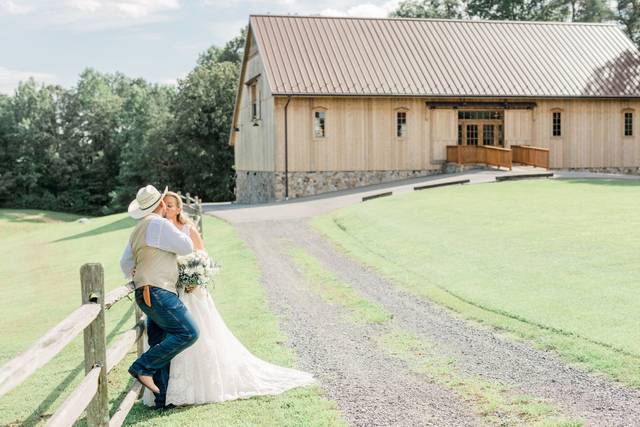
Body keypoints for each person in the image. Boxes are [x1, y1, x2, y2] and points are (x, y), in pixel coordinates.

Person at [140, 191, 316, 406]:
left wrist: (194, 274)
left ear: (178, 208)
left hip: (192, 292)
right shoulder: (159, 231)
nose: (166, 209)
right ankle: (168, 391)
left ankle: (199, 386)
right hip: (170, 291)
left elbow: (202, 256)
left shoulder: (187, 229)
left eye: (170, 205)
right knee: (173, 338)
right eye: (164, 205)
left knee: (198, 335)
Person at [120, 185, 198, 409]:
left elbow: (125, 264)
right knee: (189, 332)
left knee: (159, 342)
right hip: (159, 291)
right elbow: (186, 246)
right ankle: (142, 367)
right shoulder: (160, 224)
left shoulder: (136, 230)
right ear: (162, 204)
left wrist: (137, 270)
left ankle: (161, 401)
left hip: (144, 293)